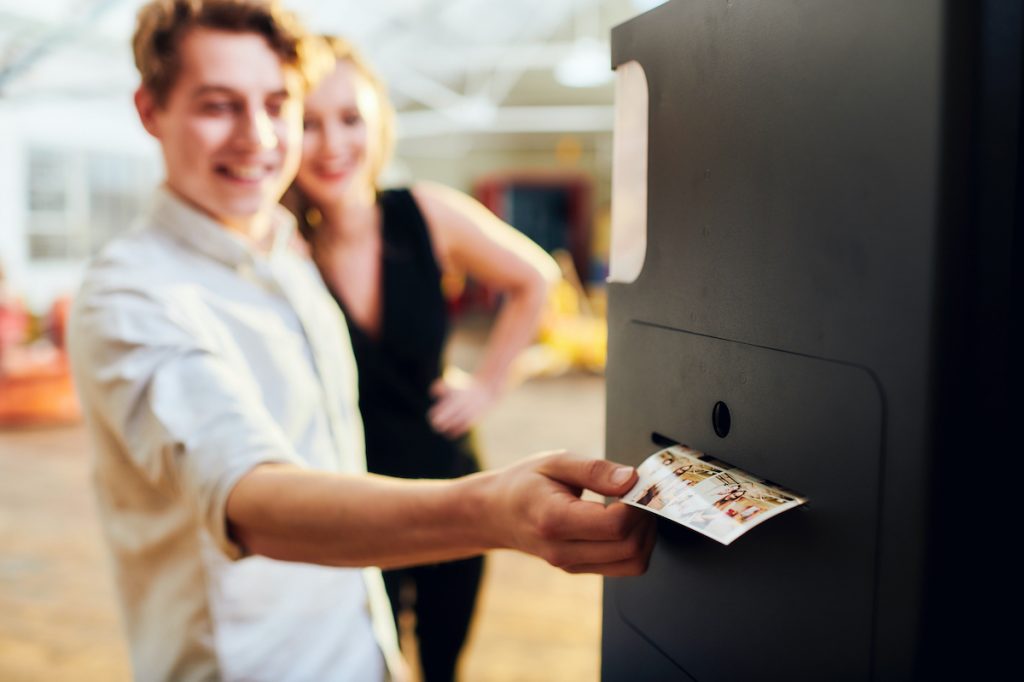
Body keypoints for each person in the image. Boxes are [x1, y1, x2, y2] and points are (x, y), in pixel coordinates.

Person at [66, 2, 655, 681]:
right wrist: (493, 509)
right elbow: (251, 500)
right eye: (217, 105)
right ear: (150, 111)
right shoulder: (134, 294)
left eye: (278, 103)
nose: (258, 136)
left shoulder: (286, 255)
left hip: (357, 646)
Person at [284, 36, 560, 681]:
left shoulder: (426, 214)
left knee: (442, 664)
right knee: (361, 659)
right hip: (344, 497)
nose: (331, 145)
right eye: (307, 123)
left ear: (378, 122)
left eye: (349, 118)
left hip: (447, 480)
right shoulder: (282, 249)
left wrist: (489, 385)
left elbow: (536, 280)